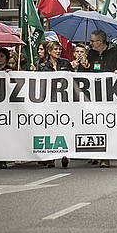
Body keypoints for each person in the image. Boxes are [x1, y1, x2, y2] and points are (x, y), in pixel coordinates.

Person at [81, 30, 117, 167]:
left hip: (111, 95)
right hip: (94, 95)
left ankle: (108, 155)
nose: (91, 44)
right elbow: (84, 74)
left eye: (93, 41)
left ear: (101, 41)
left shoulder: (114, 53)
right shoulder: (90, 53)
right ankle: (99, 154)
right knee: (96, 125)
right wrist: (85, 66)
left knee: (109, 125)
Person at [37, 41, 72, 169]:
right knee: (50, 128)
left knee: (64, 128)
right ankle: (50, 157)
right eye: (55, 49)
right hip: (49, 101)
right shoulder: (42, 65)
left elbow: (73, 78)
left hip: (64, 101)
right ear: (49, 51)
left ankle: (65, 155)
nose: (58, 51)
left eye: (59, 49)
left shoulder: (65, 63)